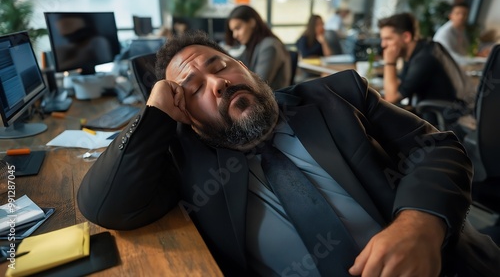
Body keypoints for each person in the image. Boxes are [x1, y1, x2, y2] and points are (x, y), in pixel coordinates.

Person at [77, 30, 500, 276]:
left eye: (220, 65)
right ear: (183, 115)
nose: (217, 83)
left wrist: (420, 224)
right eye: (191, 87)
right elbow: (103, 205)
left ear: (245, 67)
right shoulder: (185, 161)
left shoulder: (338, 93)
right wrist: (153, 115)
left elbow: (435, 145)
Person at [378, 13, 473, 114]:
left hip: (445, 120)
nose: (383, 44)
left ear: (406, 37)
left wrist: (389, 62)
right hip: (432, 114)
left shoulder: (424, 58)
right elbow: (399, 86)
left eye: (388, 39)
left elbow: (391, 97)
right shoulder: (419, 50)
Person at [224, 5, 291, 90]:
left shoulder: (269, 47)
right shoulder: (253, 46)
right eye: (232, 30)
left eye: (238, 28)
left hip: (274, 101)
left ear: (252, 23)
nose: (234, 35)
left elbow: (258, 85)